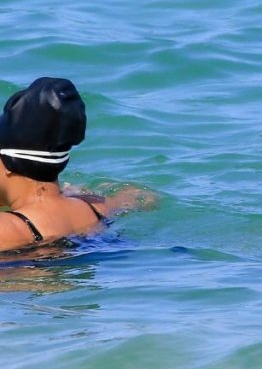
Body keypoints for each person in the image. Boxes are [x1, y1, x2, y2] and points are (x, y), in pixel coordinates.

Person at [0, 77, 152, 251]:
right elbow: (143, 197)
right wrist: (80, 195)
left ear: (8, 164)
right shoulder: (96, 208)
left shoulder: (7, 229)